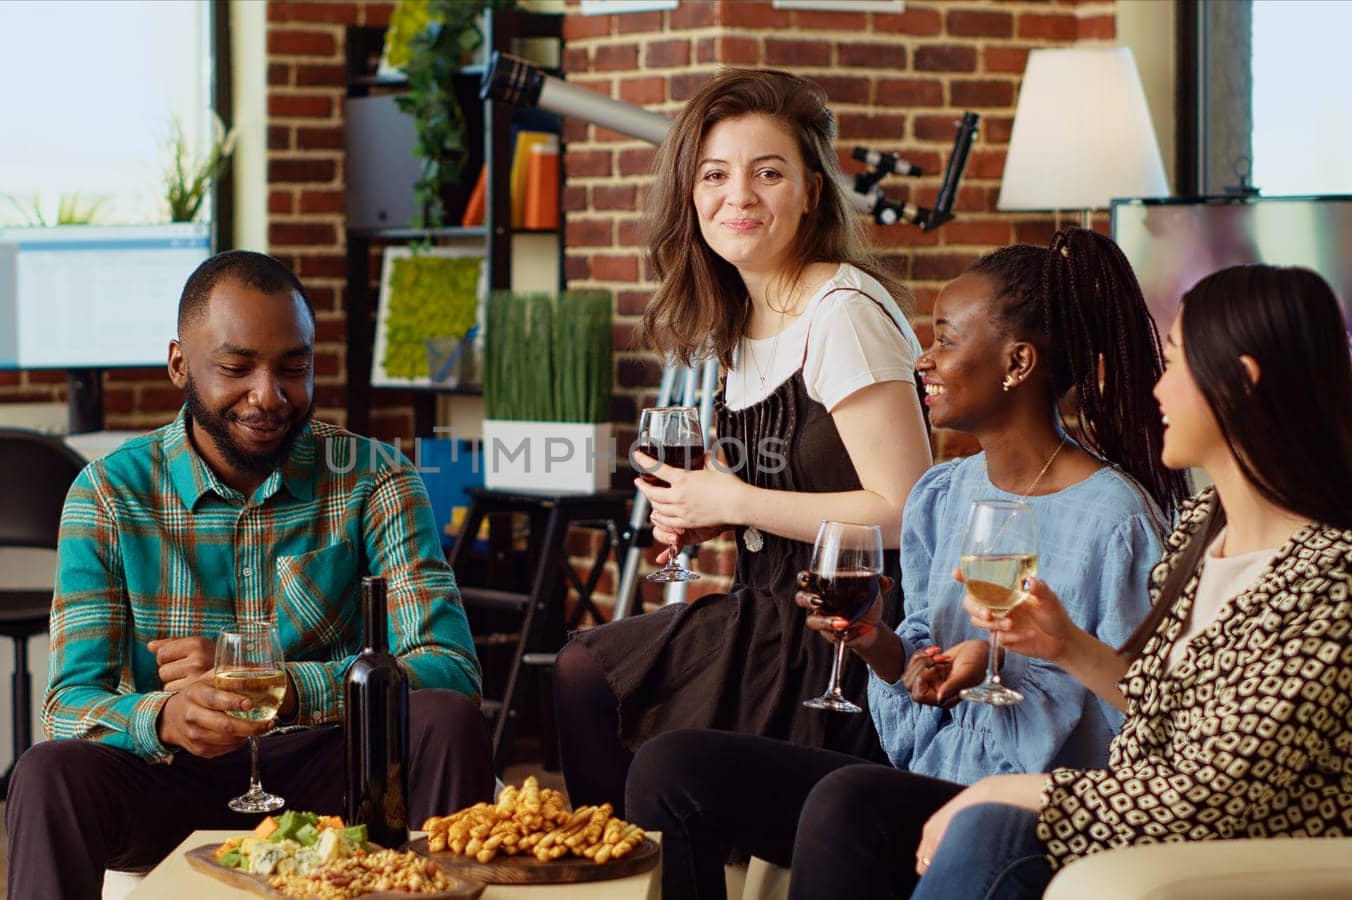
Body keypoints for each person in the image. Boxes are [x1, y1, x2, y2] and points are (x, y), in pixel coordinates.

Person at [625, 228, 1187, 900]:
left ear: (1017, 362)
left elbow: (1142, 718)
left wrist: (1010, 670)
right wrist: (879, 648)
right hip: (928, 782)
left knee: (847, 800)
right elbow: (917, 681)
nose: (924, 359)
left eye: (947, 338)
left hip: (1024, 814)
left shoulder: (1115, 520)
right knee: (672, 768)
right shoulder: (943, 495)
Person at [4, 251, 494, 899]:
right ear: (180, 363)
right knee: (47, 773)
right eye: (236, 368)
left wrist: (283, 688)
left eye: (294, 367)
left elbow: (450, 668)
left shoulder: (376, 477)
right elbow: (67, 707)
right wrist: (166, 718)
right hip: (174, 778)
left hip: (335, 771)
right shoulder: (107, 494)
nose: (269, 395)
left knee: (445, 719)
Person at [552, 68, 934, 813]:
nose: (740, 197)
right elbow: (794, 491)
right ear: (689, 194)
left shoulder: (841, 312)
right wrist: (718, 515)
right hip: (762, 611)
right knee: (583, 674)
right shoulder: (741, 317)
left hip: (847, 637)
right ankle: (630, 870)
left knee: (592, 681)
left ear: (812, 190)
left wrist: (735, 497)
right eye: (715, 175)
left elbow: (907, 509)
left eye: (768, 173)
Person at [907, 263, 1352, 899]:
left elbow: (1208, 794)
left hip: (1227, 861)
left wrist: (1002, 790)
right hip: (1139, 829)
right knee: (852, 801)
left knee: (988, 829)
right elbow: (1164, 708)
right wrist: (1063, 644)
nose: (1158, 391)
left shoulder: (1330, 581)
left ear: (1242, 383)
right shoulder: (1206, 525)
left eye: (1175, 366)